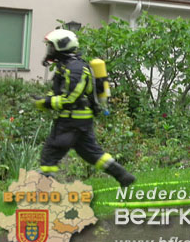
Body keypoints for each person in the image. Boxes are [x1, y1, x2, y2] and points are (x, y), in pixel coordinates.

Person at [34, 29, 135, 187]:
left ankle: (43, 187)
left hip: (72, 120)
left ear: (62, 46)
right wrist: (45, 99)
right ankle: (123, 176)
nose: (50, 50)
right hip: (79, 120)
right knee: (92, 154)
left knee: (51, 151)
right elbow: (58, 92)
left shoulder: (75, 69)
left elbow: (70, 98)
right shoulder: (66, 66)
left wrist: (46, 103)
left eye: (52, 46)